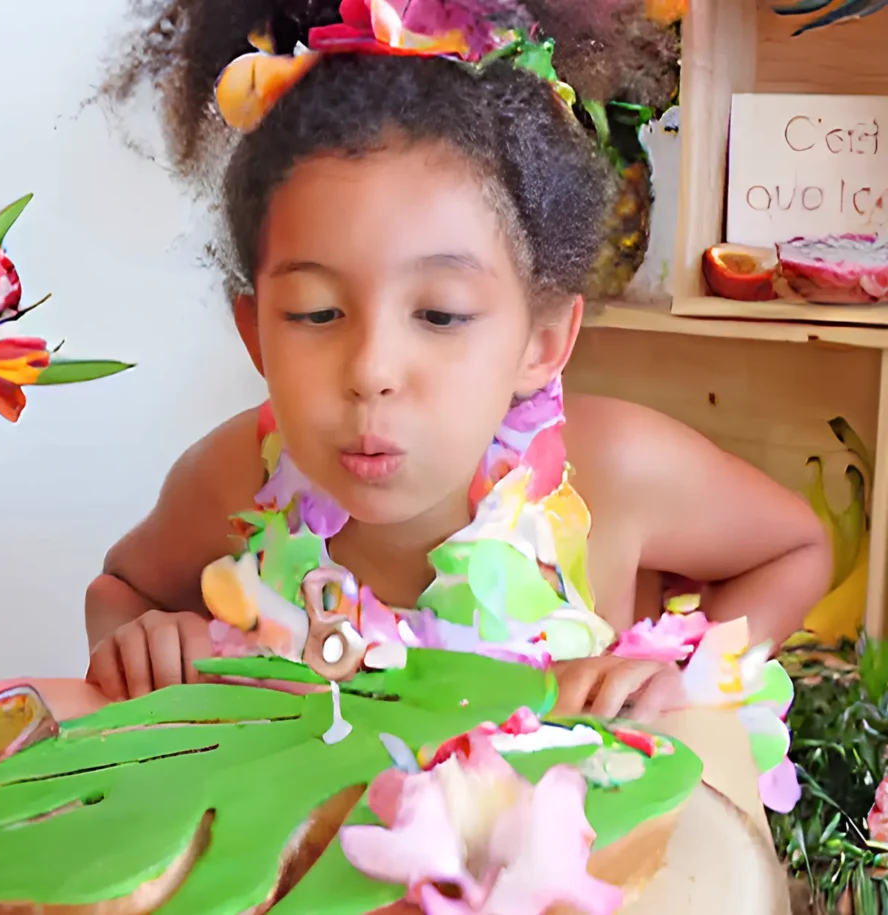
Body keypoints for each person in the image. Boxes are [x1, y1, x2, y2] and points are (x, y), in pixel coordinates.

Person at [85, 0, 831, 715]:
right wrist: (143, 639)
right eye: (316, 313)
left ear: (541, 342)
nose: (372, 369)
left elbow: (796, 548)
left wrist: (683, 677)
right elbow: (121, 588)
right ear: (256, 336)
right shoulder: (231, 481)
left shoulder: (620, 473)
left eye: (440, 313)